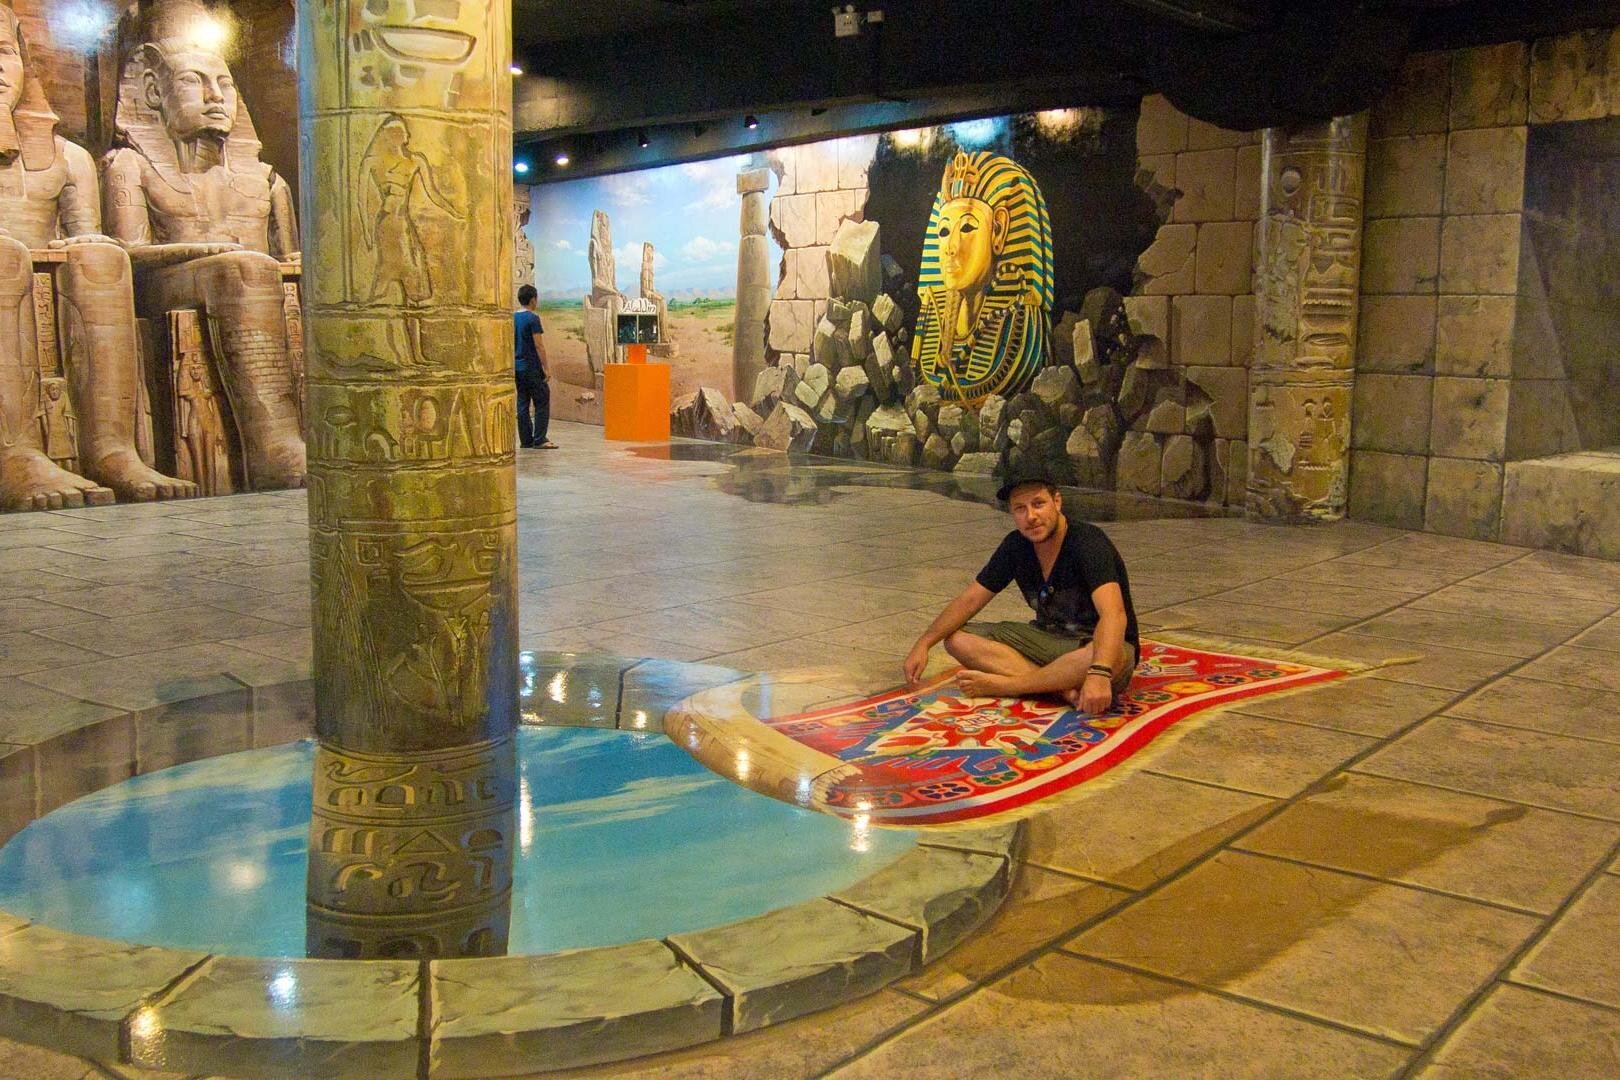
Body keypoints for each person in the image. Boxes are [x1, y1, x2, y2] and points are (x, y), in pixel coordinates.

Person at [902, 467, 1139, 715]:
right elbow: (970, 600)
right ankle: (1059, 689)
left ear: (1057, 501)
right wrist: (924, 644)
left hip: (1096, 647)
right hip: (1048, 639)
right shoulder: (1016, 545)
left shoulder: (1088, 542)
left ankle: (1011, 685)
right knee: (956, 639)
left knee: (1111, 655)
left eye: (1038, 504)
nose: (1031, 517)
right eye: (1020, 508)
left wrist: (1099, 672)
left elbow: (1114, 614)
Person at [514, 285, 556, 449]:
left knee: (522, 402)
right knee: (541, 400)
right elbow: (539, 345)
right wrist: (546, 367)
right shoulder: (533, 319)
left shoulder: (514, 317)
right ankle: (539, 438)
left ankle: (526, 439)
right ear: (533, 300)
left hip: (518, 366)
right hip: (532, 366)